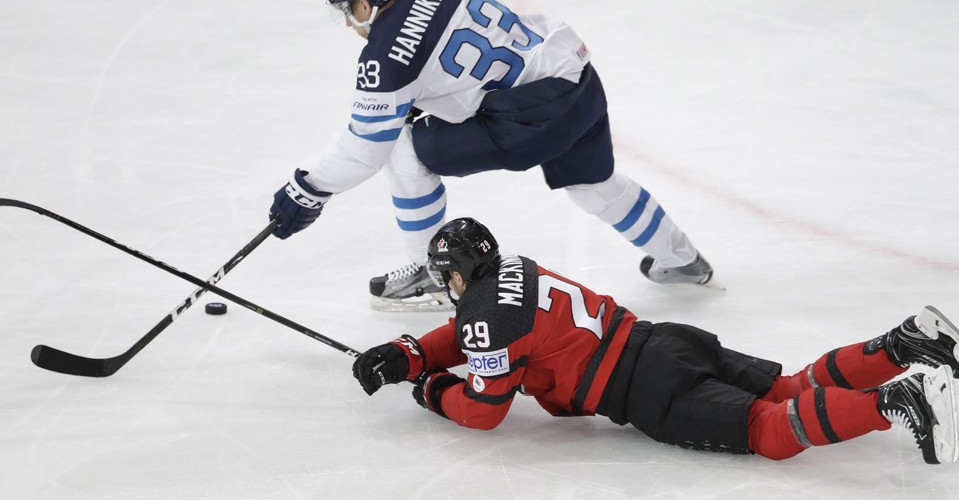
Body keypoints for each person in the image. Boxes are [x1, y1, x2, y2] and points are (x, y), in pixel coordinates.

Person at [268, 0, 714, 312]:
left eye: (350, 9)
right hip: (571, 73)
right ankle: (683, 260)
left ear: (366, 0)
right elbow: (450, 51)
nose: (350, 22)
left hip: (529, 118)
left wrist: (307, 187)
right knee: (594, 184)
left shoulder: (385, 58)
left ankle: (433, 275)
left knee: (405, 152)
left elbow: (365, 150)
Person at [352, 217, 959, 464]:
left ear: (460, 270)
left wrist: (431, 388)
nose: (445, 286)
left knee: (768, 431)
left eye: (445, 274)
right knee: (790, 387)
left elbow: (484, 410)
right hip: (665, 340)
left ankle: (896, 403)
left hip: (643, 389)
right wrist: (409, 353)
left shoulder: (485, 314)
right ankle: (906, 343)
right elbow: (479, 333)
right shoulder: (514, 270)